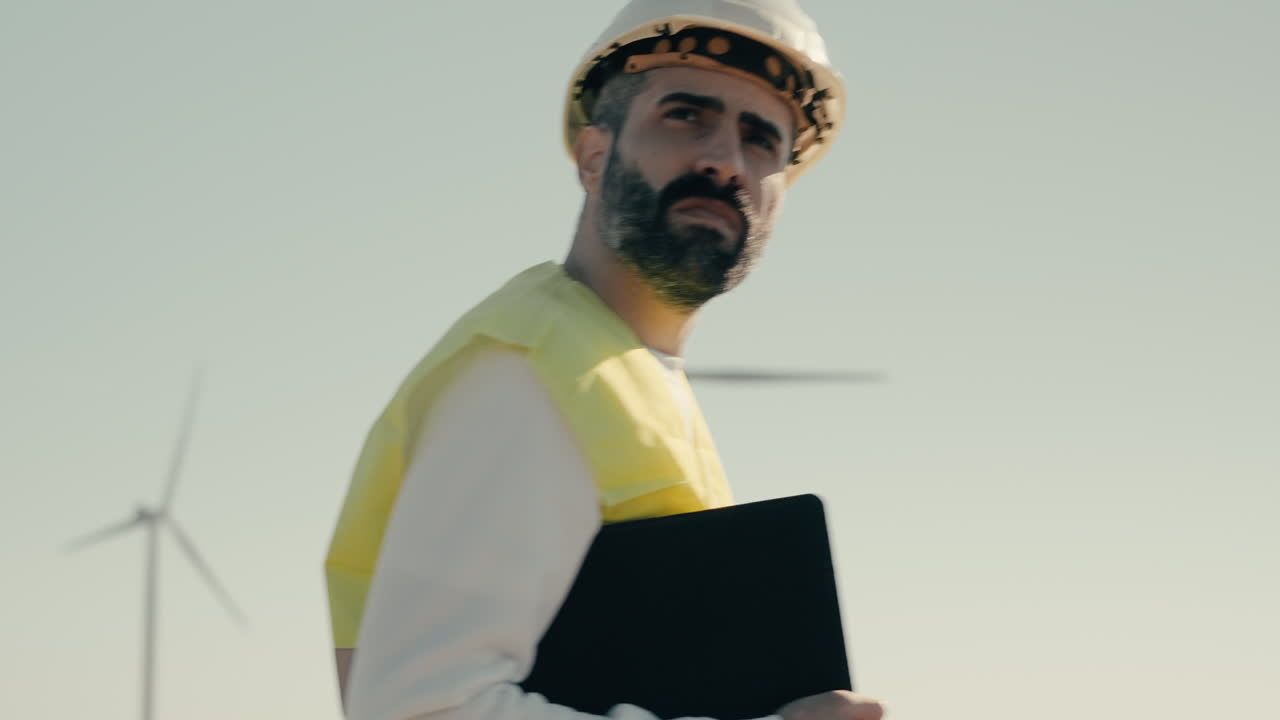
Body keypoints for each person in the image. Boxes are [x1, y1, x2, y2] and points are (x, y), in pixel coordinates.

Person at [325, 1, 886, 718]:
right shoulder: (533, 369)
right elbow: (421, 709)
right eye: (686, 116)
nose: (724, 159)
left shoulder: (623, 375)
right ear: (595, 157)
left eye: (760, 139)